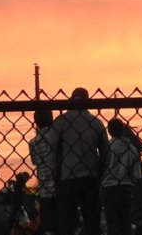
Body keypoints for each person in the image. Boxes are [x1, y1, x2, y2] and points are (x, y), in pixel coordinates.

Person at [48, 87, 108, 235]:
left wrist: (55, 173)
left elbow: (52, 150)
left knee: (67, 222)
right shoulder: (96, 123)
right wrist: (101, 173)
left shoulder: (61, 121)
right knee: (92, 221)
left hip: (67, 176)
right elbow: (106, 152)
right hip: (90, 176)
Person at [101, 118, 142, 235]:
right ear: (123, 130)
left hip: (109, 187)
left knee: (112, 222)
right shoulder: (132, 148)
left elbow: (102, 169)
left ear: (109, 131)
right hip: (126, 187)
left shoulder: (106, 148)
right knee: (126, 221)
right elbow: (136, 174)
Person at [29, 109, 57, 235]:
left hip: (44, 188)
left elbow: (35, 161)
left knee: (48, 225)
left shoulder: (33, 142)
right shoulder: (57, 136)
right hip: (60, 186)